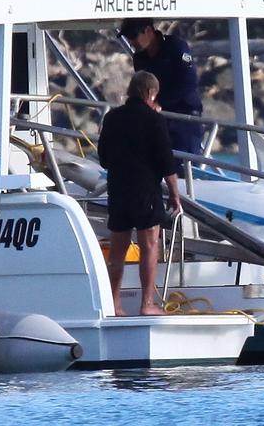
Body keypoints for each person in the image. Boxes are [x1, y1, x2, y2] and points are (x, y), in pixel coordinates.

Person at [97, 71, 181, 316]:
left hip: (118, 189)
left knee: (117, 253)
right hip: (145, 190)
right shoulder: (154, 120)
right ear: (151, 93)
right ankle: (146, 304)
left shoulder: (112, 117)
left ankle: (114, 304)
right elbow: (167, 162)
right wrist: (175, 195)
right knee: (149, 245)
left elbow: (103, 158)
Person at [117, 18, 204, 159]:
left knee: (183, 164)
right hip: (157, 118)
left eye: (133, 36)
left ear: (149, 31)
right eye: (128, 38)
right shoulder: (139, 58)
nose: (131, 42)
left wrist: (161, 103)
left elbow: (189, 82)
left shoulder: (175, 47)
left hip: (184, 116)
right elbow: (141, 86)